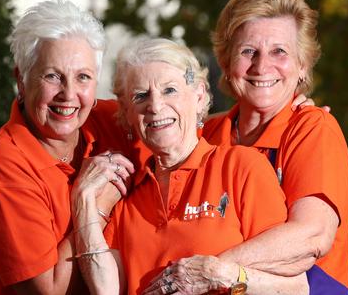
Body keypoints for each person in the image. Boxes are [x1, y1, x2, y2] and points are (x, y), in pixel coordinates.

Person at [148, 0, 348, 294]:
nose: (262, 66)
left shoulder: (313, 129)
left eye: (279, 52)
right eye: (248, 51)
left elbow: (311, 237)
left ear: (302, 66)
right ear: (226, 62)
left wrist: (209, 272)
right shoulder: (205, 136)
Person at [71, 37, 310, 294]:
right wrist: (83, 200)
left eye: (169, 90)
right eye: (141, 96)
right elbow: (106, 290)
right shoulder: (126, 196)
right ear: (128, 114)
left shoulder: (241, 167)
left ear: (199, 96)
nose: (155, 105)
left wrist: (220, 274)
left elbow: (295, 288)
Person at [0, 0, 135, 294]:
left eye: (83, 78)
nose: (68, 95)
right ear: (22, 81)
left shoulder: (111, 120)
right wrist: (91, 201)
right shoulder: (6, 159)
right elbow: (48, 290)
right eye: (53, 76)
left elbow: (183, 131)